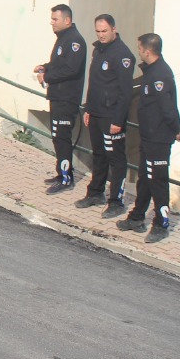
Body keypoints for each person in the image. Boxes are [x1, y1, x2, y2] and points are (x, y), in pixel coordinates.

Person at [119, 33, 180, 240]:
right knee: (145, 179)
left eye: (140, 49)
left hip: (159, 138)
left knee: (158, 181)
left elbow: (168, 109)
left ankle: (161, 224)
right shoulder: (151, 72)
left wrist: (177, 130)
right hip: (147, 136)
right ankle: (137, 216)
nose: (138, 52)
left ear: (147, 51)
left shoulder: (160, 75)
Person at [77, 14, 135, 214]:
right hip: (96, 114)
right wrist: (88, 109)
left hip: (112, 117)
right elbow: (95, 83)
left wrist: (118, 120)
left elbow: (126, 92)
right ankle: (95, 193)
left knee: (116, 159)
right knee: (99, 155)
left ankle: (116, 202)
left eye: (104, 31)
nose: (101, 35)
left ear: (114, 29)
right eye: (98, 31)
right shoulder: (98, 50)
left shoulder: (123, 55)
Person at [35, 4, 87, 192]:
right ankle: (61, 172)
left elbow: (70, 69)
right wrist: (45, 67)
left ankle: (66, 178)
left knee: (63, 137)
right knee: (57, 136)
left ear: (67, 20)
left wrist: (46, 77)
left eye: (55, 19)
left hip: (67, 99)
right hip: (57, 96)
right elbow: (59, 64)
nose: (52, 22)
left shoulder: (75, 41)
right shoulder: (63, 39)